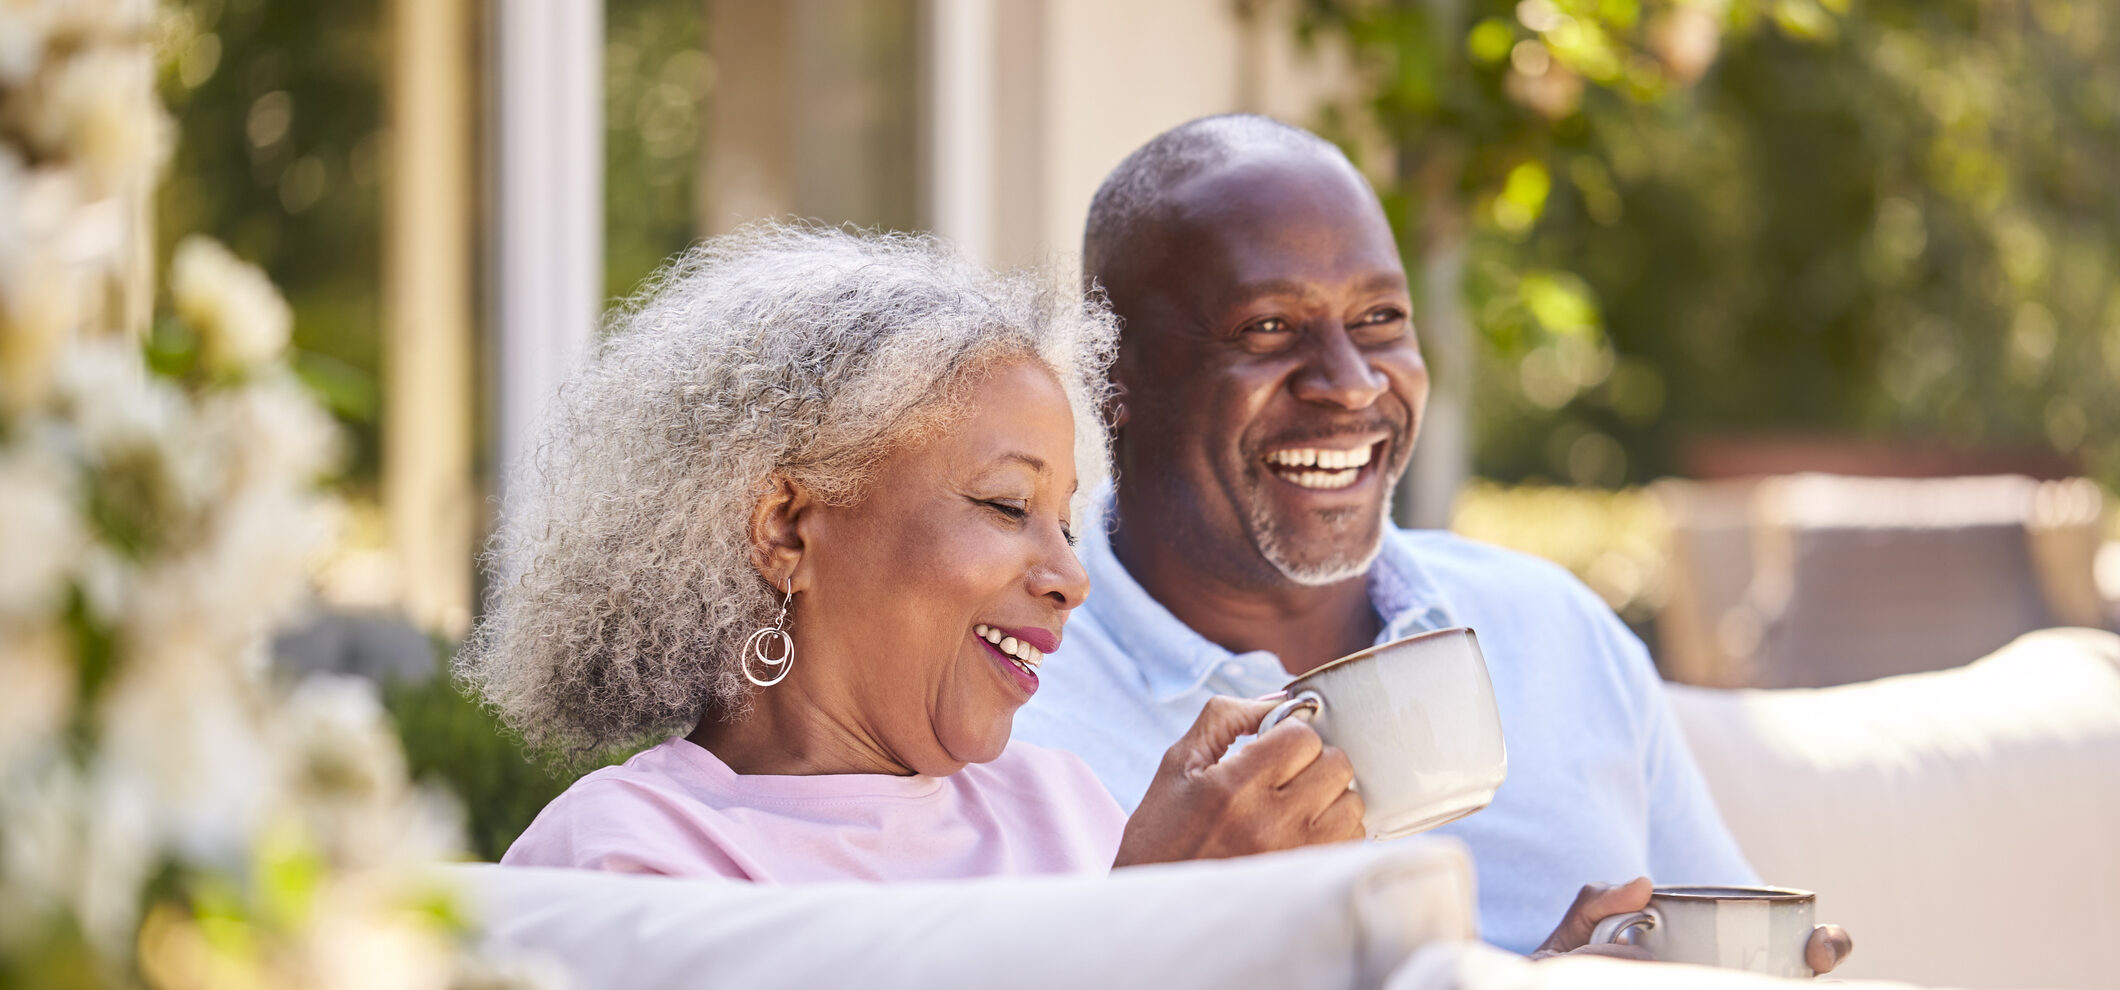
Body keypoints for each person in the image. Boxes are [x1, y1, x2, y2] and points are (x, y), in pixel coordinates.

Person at [1008, 115, 1850, 969]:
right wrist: (1157, 923)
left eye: (1379, 318)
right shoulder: (1008, 701)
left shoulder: (1551, 631)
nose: (1351, 382)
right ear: (1114, 376)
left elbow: (1737, 954)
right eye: (1268, 327)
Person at [461, 222, 1365, 883]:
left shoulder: (1059, 808)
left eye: (1067, 523)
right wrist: (1158, 915)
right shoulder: (630, 854)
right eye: (1007, 504)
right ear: (785, 527)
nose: (1072, 578)